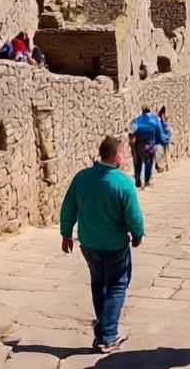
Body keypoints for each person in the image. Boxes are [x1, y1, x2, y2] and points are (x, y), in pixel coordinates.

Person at [60, 135, 144, 354]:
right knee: (116, 285)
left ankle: (102, 331)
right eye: (122, 153)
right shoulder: (124, 183)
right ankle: (108, 336)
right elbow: (133, 217)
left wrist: (66, 234)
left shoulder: (82, 178)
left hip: (89, 244)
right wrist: (137, 235)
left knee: (98, 284)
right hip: (115, 245)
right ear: (117, 155)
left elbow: (68, 208)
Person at [129, 105, 164, 188]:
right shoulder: (155, 119)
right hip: (150, 145)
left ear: (142, 111)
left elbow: (131, 132)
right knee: (148, 162)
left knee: (138, 162)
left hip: (139, 144)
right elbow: (160, 132)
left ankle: (138, 181)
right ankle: (146, 181)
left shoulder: (137, 120)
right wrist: (159, 141)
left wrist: (132, 142)